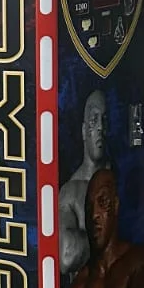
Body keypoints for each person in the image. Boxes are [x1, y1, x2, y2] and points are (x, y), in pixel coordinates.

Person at [59, 89, 109, 275]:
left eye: (104, 120)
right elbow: (66, 257)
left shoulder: (123, 178)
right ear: (83, 131)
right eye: (94, 120)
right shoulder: (70, 192)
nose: (100, 128)